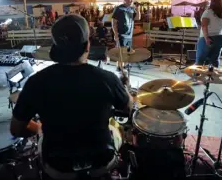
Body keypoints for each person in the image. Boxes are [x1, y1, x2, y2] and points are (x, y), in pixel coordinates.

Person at [10, 14, 134, 180]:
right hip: (100, 163)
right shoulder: (107, 79)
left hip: (57, 167)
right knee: (117, 130)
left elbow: (16, 129)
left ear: (55, 46)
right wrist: (125, 87)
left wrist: (40, 127)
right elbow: (128, 107)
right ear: (87, 46)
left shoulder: (36, 82)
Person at [195, 0, 222, 68]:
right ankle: (212, 78)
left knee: (200, 60)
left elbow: (204, 25)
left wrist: (206, 38)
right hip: (220, 38)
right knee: (214, 60)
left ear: (212, 3)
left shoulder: (208, 12)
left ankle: (197, 77)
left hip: (208, 38)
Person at [112, 0, 140, 71]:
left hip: (129, 35)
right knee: (121, 51)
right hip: (121, 34)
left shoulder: (132, 9)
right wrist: (115, 34)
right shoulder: (119, 8)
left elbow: (138, 17)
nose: (130, 0)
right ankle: (119, 66)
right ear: (124, 0)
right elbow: (114, 22)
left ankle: (124, 65)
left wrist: (137, 9)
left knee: (127, 52)